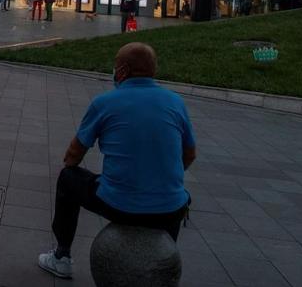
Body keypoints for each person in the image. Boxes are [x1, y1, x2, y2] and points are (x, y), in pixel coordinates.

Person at [37, 43, 195, 279]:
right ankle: (163, 270)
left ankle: (62, 257)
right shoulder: (175, 102)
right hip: (171, 209)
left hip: (120, 206)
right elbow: (190, 154)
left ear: (122, 71)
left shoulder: (105, 103)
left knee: (68, 178)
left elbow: (72, 157)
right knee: (171, 197)